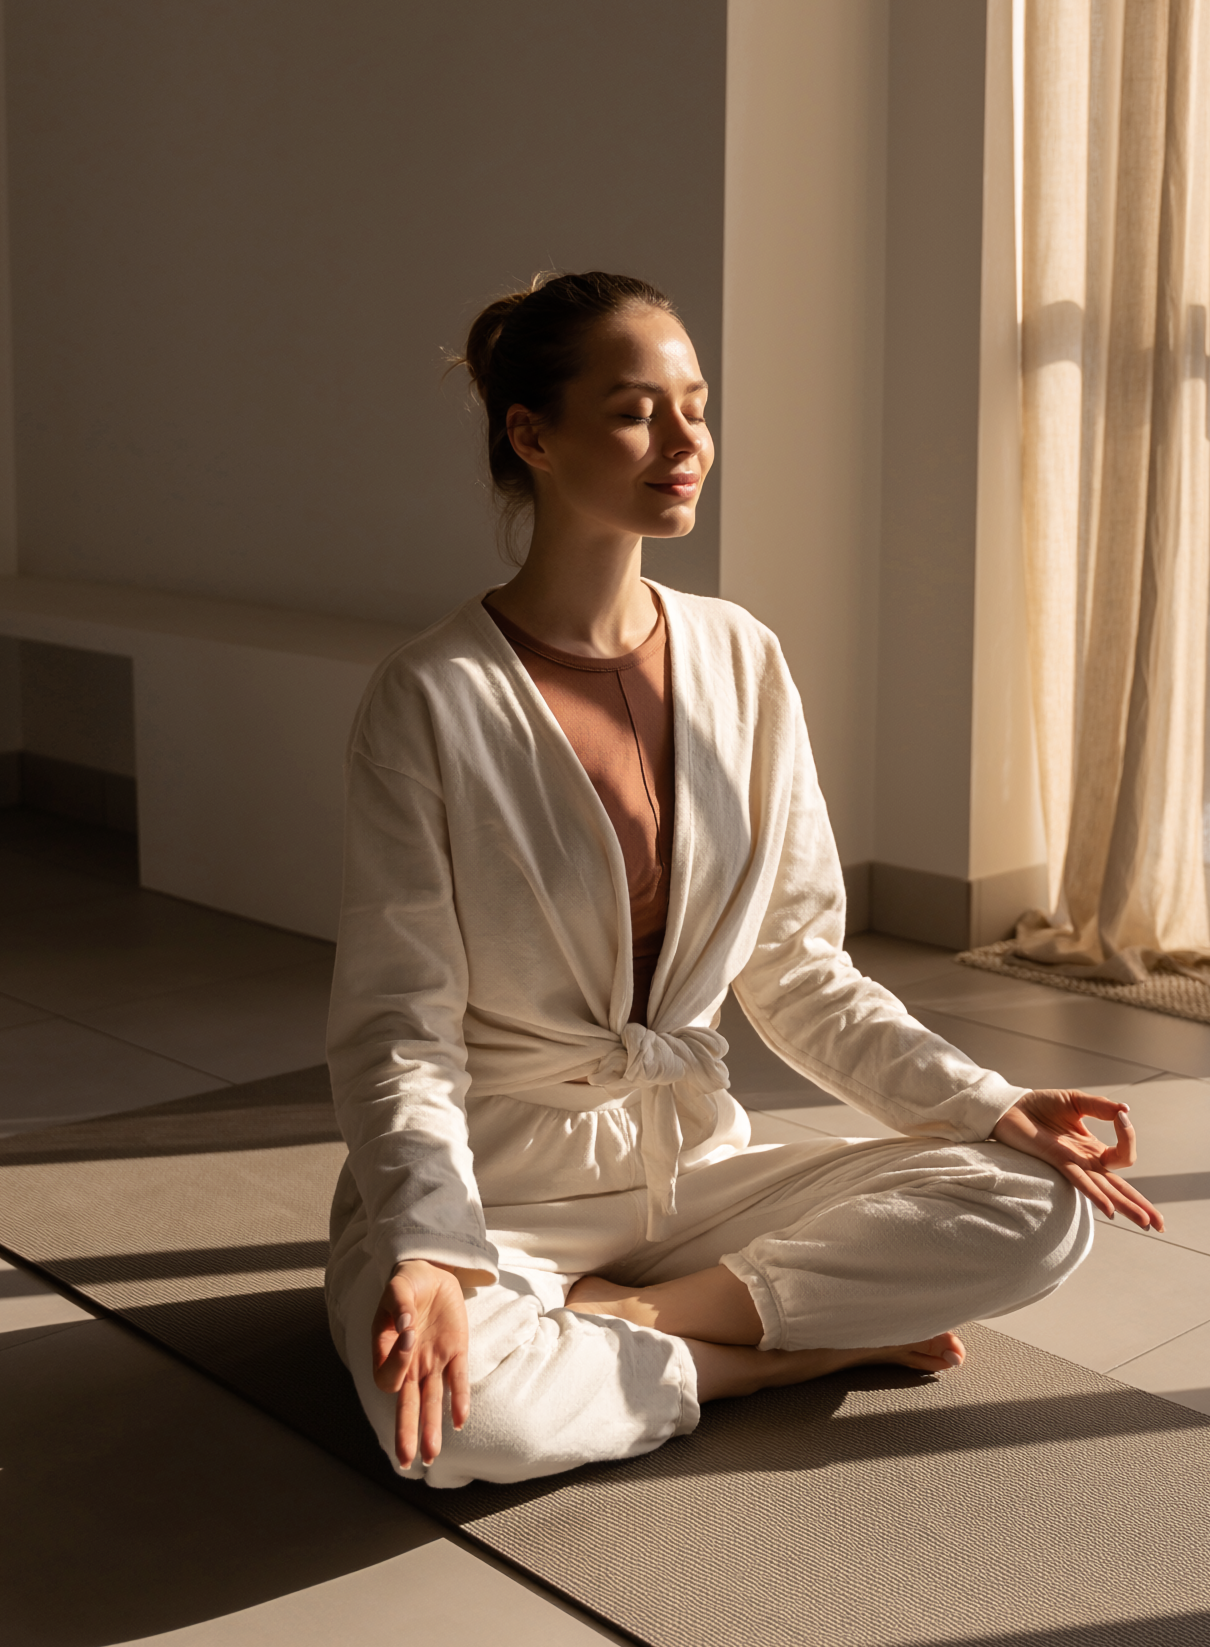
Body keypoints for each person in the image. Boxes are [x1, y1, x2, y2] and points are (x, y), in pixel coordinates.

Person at [324, 269, 1164, 1488]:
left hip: (693, 1177)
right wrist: (428, 1247)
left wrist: (986, 1104)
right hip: (501, 1193)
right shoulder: (431, 697)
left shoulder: (740, 656)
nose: (685, 444)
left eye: (696, 408)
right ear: (533, 437)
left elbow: (801, 971)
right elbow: (398, 1025)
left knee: (1038, 1205)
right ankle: (773, 1359)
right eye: (635, 413)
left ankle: (642, 1325)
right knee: (467, 1429)